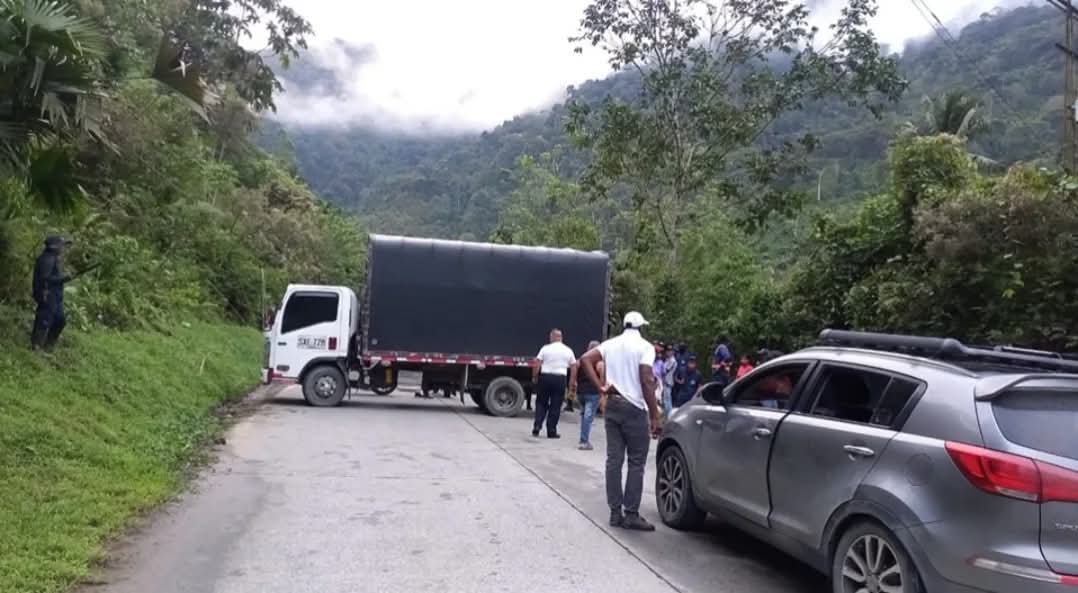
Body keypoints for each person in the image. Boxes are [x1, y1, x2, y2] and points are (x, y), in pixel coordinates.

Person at [579, 311, 661, 532]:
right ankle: (631, 514)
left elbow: (585, 359)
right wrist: (654, 414)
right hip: (634, 408)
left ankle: (615, 513)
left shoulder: (610, 344)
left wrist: (600, 388)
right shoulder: (645, 347)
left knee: (613, 461)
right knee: (636, 462)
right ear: (640, 327)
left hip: (613, 404)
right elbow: (646, 378)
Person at [532, 329, 577, 439]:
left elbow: (537, 363)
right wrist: (571, 382)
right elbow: (574, 366)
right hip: (560, 379)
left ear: (552, 337)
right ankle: (551, 431)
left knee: (541, 402)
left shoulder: (545, 348)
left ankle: (537, 426)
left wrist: (535, 376)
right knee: (556, 405)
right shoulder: (568, 350)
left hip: (545, 377)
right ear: (561, 337)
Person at [31, 235, 71, 351]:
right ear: (54, 247)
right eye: (61, 246)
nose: (63, 248)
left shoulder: (53, 258)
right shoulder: (47, 259)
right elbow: (45, 279)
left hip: (56, 296)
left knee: (60, 320)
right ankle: (36, 346)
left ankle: (48, 345)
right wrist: (64, 279)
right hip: (47, 295)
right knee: (44, 320)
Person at [577, 340, 604, 450]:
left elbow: (574, 370)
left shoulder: (581, 360)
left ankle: (583, 437)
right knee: (588, 417)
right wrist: (602, 389)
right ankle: (584, 441)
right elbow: (602, 373)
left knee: (584, 416)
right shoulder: (598, 362)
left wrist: (573, 385)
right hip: (592, 393)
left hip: (581, 392)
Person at [661, 344, 677, 418]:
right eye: (667, 351)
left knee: (667, 400)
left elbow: (665, 371)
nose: (668, 352)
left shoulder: (672, 360)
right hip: (665, 381)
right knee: (665, 399)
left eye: (670, 351)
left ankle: (669, 416)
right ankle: (666, 415)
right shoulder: (667, 360)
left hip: (668, 381)